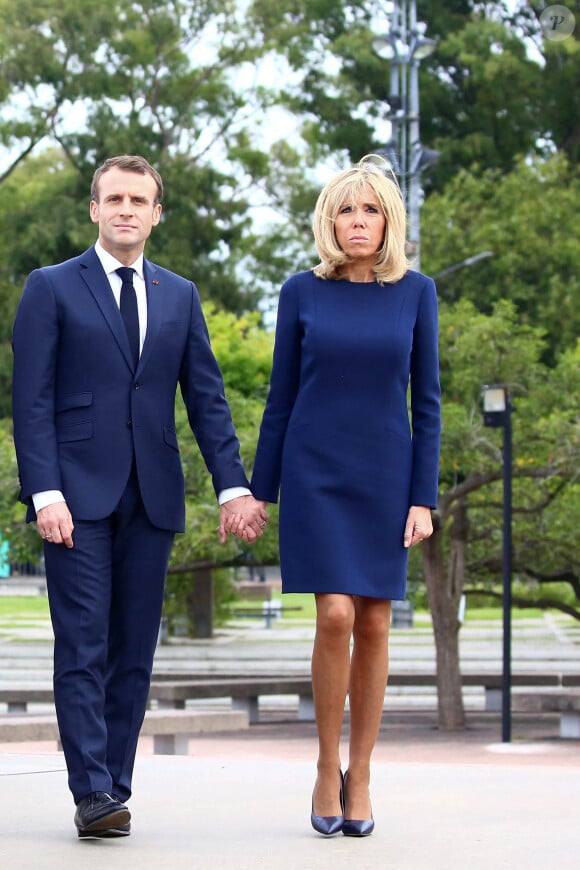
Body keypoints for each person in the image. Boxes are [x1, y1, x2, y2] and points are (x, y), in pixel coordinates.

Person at [11, 154, 267, 839]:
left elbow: (207, 400)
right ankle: (91, 791)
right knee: (83, 644)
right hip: (75, 500)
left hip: (152, 497)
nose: (126, 209)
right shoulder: (52, 287)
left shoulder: (179, 294)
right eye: (114, 198)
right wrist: (44, 491)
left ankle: (115, 786)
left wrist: (233, 486)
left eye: (139, 200)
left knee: (133, 651)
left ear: (156, 214)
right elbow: (30, 402)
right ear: (94, 209)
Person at [247, 156, 441, 837]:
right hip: (314, 471)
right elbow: (280, 397)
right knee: (333, 614)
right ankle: (325, 764)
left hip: (387, 473)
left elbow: (430, 402)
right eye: (346, 211)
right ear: (330, 222)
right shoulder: (302, 291)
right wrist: (258, 489)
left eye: (370, 210)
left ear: (389, 221)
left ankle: (362, 774)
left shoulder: (418, 292)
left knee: (377, 623)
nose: (358, 222)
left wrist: (424, 497)